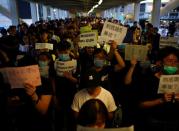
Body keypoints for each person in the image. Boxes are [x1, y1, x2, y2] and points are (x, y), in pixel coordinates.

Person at [136, 46, 179, 131]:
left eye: (176, 62)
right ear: (159, 63)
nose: (173, 64)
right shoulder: (149, 80)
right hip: (154, 122)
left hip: (175, 122)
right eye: (170, 61)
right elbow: (141, 104)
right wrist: (161, 100)